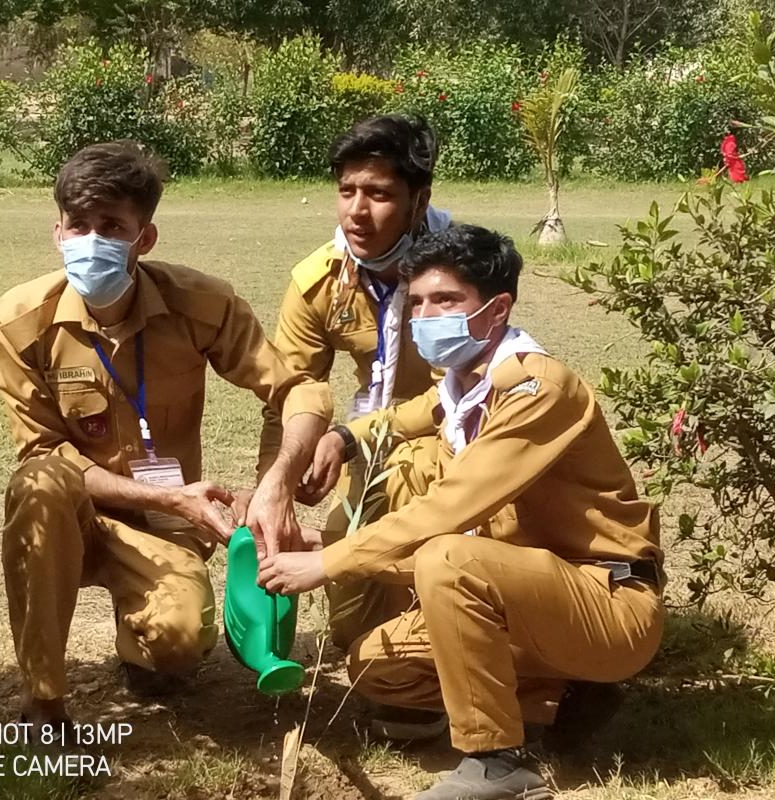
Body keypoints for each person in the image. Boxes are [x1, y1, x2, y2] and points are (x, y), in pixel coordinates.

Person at [259, 225, 665, 799]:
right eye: (419, 301)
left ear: (497, 308)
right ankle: (561, 698)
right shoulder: (460, 387)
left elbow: (451, 512)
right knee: (375, 665)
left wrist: (329, 562)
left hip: (606, 601)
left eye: (447, 301)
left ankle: (497, 762)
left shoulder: (535, 388)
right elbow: (403, 417)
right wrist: (344, 438)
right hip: (525, 594)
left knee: (448, 555)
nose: (426, 315)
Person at [0, 141, 332, 737]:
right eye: (78, 226)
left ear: (144, 238)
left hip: (166, 527)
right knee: (40, 481)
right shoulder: (21, 321)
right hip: (76, 513)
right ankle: (43, 706)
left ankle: (141, 642)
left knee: (175, 647)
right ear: (57, 232)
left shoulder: (202, 303)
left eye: (112, 227)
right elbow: (43, 451)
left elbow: (297, 390)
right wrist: (174, 498)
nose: (91, 241)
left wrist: (273, 484)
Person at [258, 114, 449, 663]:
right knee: (351, 631)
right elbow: (289, 393)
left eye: (379, 194)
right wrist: (278, 485)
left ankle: (459, 651)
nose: (357, 212)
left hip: (452, 444)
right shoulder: (318, 282)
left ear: (419, 201)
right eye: (347, 191)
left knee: (421, 532)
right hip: (370, 448)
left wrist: (347, 437)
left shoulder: (458, 273)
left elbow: (458, 400)